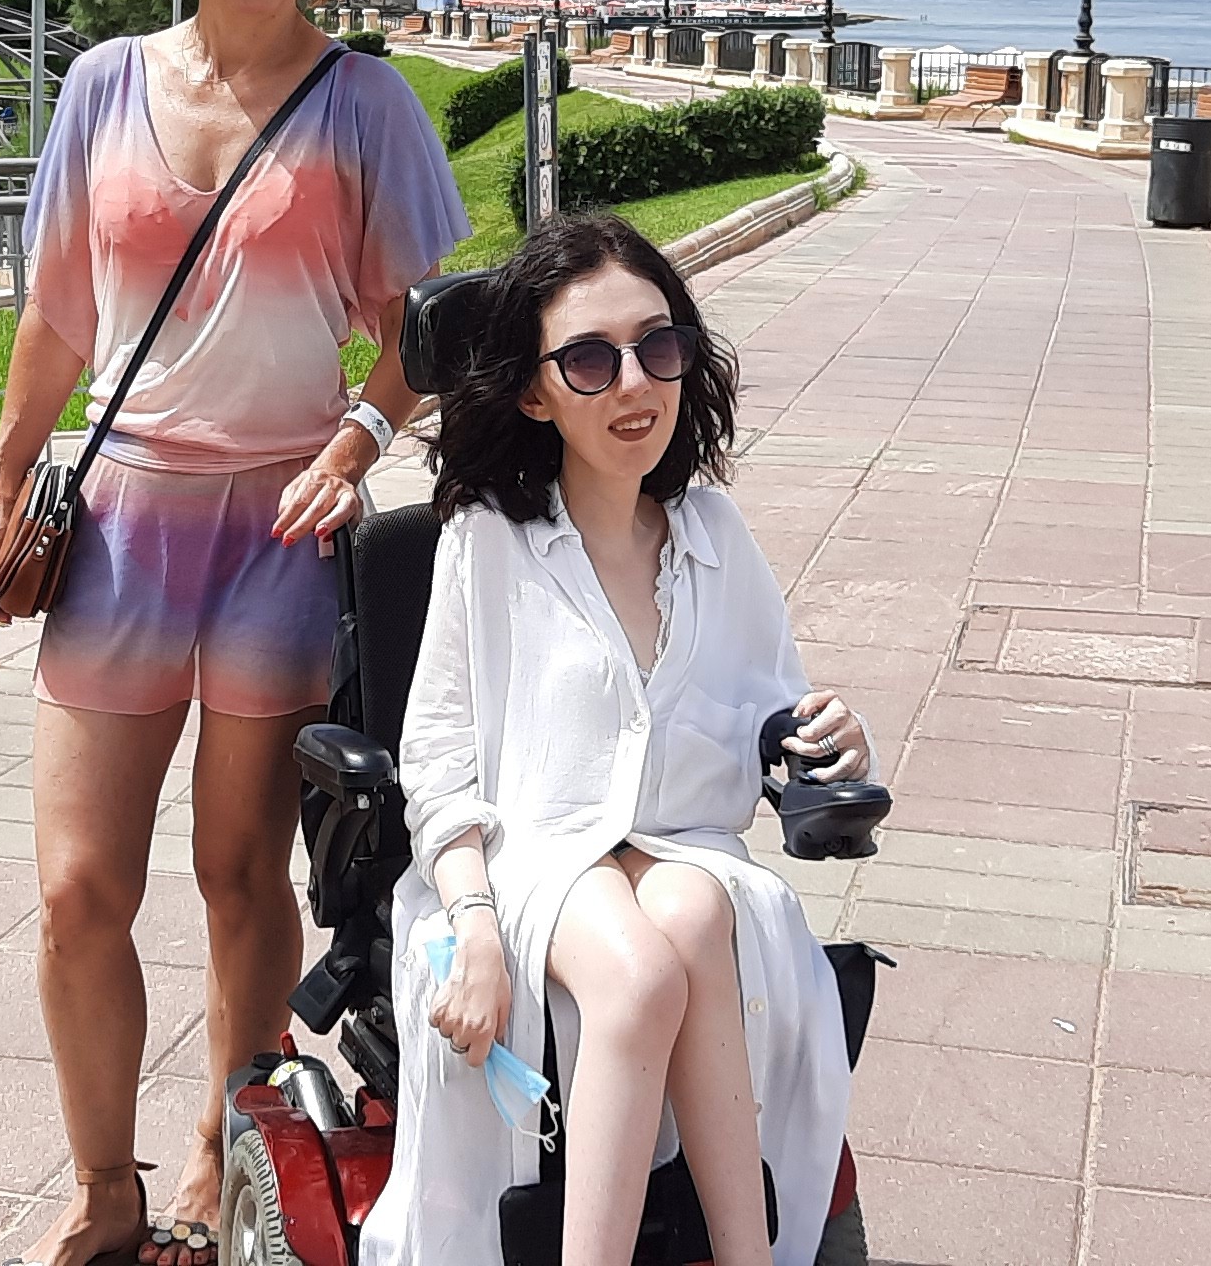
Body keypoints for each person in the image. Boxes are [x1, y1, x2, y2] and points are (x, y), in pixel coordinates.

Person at [0, 0, 468, 1266]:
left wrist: (361, 437)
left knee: (241, 876)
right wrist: (4, 480)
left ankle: (219, 1157)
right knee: (76, 891)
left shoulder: (365, 104)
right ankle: (100, 1185)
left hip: (280, 530)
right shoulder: (103, 84)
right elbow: (61, 313)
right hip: (122, 523)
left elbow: (420, 335)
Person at [362, 212, 871, 1266]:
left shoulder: (713, 536)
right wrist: (476, 924)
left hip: (684, 850)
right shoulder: (488, 542)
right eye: (590, 361)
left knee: (692, 913)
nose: (634, 383)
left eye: (657, 346)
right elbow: (439, 766)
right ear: (533, 392)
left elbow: (774, 716)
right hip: (528, 860)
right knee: (637, 975)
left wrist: (831, 741)